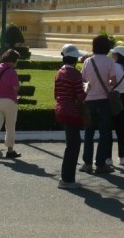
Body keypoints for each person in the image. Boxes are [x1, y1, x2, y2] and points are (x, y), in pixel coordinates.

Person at [80, 35, 116, 174]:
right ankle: (100, 164)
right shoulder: (109, 61)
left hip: (89, 100)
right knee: (104, 133)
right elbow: (113, 81)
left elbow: (83, 79)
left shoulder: (88, 61)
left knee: (89, 132)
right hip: (104, 100)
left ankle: (87, 163)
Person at [54, 44, 87, 189]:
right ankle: (67, 179)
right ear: (74, 58)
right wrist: (88, 89)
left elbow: (56, 94)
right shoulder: (75, 74)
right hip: (72, 112)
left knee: (71, 144)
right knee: (73, 146)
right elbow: (81, 96)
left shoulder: (59, 72)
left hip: (61, 109)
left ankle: (66, 178)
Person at [0, 49, 21, 161]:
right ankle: (10, 150)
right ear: (13, 61)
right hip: (10, 101)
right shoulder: (12, 71)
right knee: (10, 126)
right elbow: (16, 88)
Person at [109, 45, 124, 166]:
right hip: (122, 98)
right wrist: (121, 87)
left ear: (117, 56)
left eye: (114, 54)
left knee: (108, 128)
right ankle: (121, 157)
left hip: (111, 97)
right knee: (120, 130)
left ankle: (108, 157)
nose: (112, 56)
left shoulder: (112, 67)